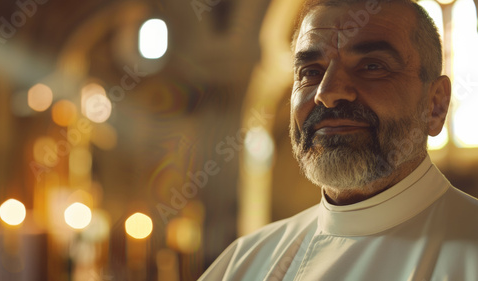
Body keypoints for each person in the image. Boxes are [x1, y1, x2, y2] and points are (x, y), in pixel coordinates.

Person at [199, 0, 478, 280]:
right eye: (310, 72)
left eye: (371, 66)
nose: (328, 93)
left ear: (436, 105)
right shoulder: (243, 263)